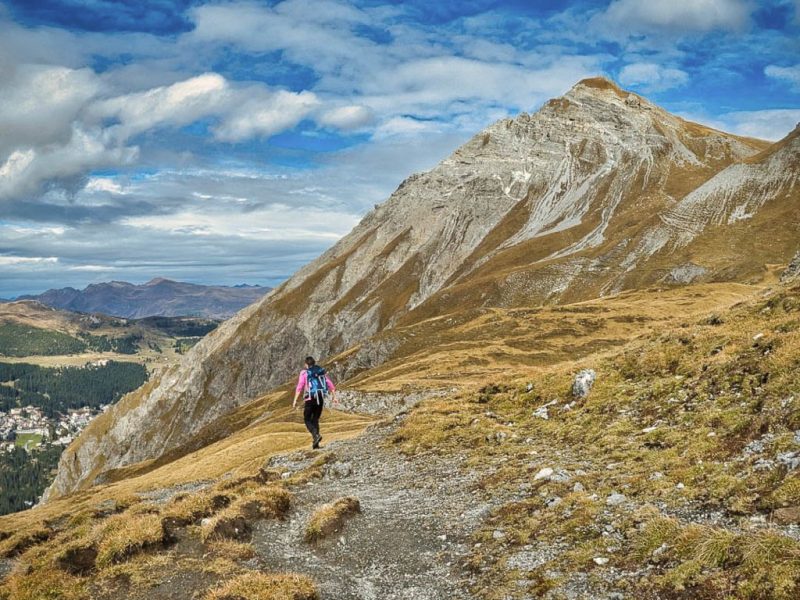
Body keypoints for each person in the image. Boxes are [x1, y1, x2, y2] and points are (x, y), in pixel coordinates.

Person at [293, 356, 337, 449]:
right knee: (315, 419)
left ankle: (315, 434)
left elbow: (300, 386)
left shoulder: (304, 373)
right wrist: (334, 397)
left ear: (306, 364)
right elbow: (329, 383)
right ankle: (316, 444)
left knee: (307, 419)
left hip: (310, 398)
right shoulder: (320, 371)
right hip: (320, 397)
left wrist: (295, 400)